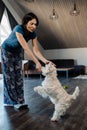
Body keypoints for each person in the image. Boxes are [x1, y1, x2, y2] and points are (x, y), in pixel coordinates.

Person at [1, 12, 51, 109]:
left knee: (19, 76)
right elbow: (26, 47)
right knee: (10, 77)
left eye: (35, 24)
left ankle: (20, 101)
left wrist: (45, 61)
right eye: (31, 23)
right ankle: (12, 101)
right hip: (7, 50)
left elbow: (35, 49)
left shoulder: (33, 34)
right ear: (26, 22)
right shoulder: (18, 28)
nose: (33, 26)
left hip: (17, 51)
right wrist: (36, 62)